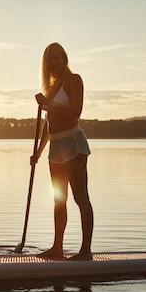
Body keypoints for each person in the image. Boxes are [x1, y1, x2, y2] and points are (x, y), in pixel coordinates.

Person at [30, 42, 94, 261]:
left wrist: (49, 103)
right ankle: (57, 248)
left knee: (80, 197)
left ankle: (85, 252)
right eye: (50, 59)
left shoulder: (73, 80)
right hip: (55, 147)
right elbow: (49, 125)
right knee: (59, 200)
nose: (54, 62)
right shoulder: (52, 87)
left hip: (73, 144)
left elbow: (76, 111)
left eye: (57, 57)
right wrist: (38, 152)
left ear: (64, 59)